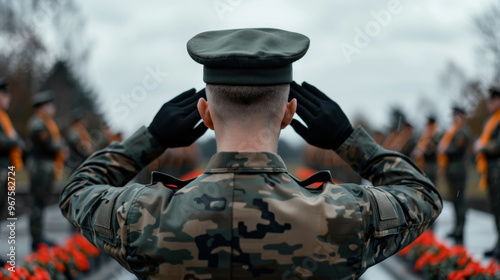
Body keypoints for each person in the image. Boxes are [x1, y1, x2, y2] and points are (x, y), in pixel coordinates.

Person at [59, 28, 442, 279]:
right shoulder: (346, 216)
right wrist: (347, 139)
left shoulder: (142, 217)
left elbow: (77, 190)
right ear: (290, 113)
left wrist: (152, 137)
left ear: (205, 114)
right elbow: (422, 195)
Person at [28, 90, 66, 250]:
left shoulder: (46, 123)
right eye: (49, 105)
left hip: (44, 167)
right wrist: (60, 147)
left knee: (41, 203)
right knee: (37, 204)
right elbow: (47, 144)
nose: (52, 108)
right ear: (43, 107)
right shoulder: (38, 124)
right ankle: (36, 239)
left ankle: (39, 236)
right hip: (39, 168)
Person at [437, 105, 470, 244]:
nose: (454, 118)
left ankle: (461, 230)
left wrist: (444, 149)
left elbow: (457, 148)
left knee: (460, 201)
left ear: (461, 116)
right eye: (453, 115)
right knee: (455, 201)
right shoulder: (452, 131)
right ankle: (456, 228)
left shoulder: (462, 131)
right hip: (452, 171)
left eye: (457, 115)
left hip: (459, 171)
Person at [475, 84, 500, 259]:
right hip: (491, 171)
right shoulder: (490, 120)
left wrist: (483, 146)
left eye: (494, 99)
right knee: (495, 209)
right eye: (490, 100)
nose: (490, 102)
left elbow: (497, 145)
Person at [0, 77, 24, 219]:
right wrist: (14, 141)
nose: (8, 99)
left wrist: (14, 141)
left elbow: (17, 139)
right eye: (5, 95)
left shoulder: (4, 118)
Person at [413, 115, 440, 184]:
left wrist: (420, 152)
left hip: (431, 165)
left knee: (430, 186)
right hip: (426, 165)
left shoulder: (435, 135)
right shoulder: (426, 134)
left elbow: (430, 150)